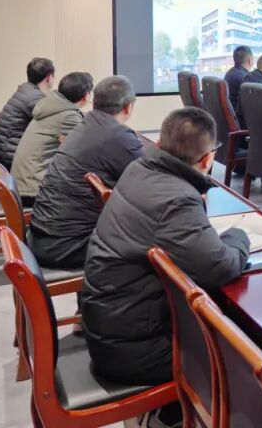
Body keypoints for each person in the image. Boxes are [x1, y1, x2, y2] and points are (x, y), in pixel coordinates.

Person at [81, 107, 250, 390]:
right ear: (207, 159)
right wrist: (239, 236)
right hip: (134, 350)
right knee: (245, 353)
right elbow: (221, 267)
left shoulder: (138, 169)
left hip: (108, 324)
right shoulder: (177, 199)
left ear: (159, 144)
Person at [28, 76, 144, 269]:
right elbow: (151, 182)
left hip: (42, 237)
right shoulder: (117, 136)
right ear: (128, 107)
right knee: (152, 240)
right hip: (68, 247)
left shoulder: (84, 125)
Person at [11, 71, 94, 206]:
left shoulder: (52, 105)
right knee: (89, 192)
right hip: (32, 191)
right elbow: (91, 146)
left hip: (22, 183)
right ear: (86, 96)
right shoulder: (68, 116)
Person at [0, 57, 56, 169]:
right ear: (49, 78)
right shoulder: (35, 98)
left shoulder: (26, 91)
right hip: (11, 157)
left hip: (2, 152)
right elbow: (53, 126)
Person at [224, 46, 254, 117]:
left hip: (230, 113)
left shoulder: (230, 72)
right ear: (250, 60)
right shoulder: (246, 78)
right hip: (238, 117)